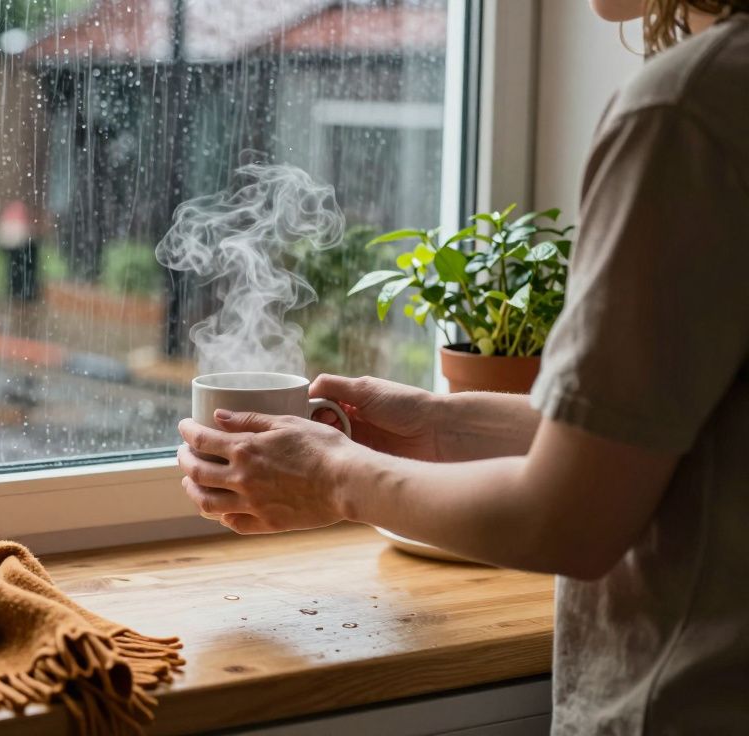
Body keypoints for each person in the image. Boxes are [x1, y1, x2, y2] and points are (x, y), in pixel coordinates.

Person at [175, 1, 749, 733]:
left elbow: (568, 520)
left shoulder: (687, 111)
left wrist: (334, 477)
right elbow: (668, 433)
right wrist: (444, 427)